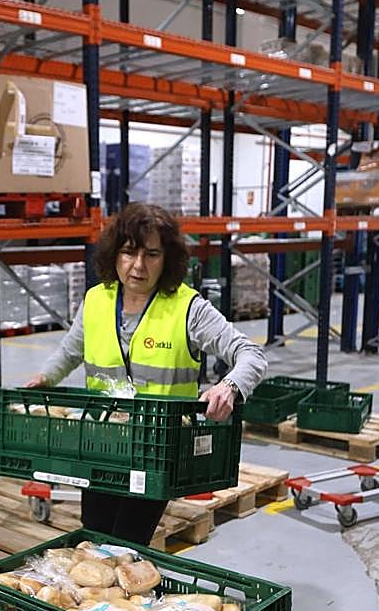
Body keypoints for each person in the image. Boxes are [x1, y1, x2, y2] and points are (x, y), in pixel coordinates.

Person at [25, 202, 267, 544]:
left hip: (157, 451)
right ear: (115, 254)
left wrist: (228, 386)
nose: (138, 266)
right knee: (93, 536)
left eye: (151, 254)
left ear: (167, 259)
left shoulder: (188, 308)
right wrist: (45, 378)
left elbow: (252, 354)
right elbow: (70, 351)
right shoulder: (97, 300)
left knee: (127, 541)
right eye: (128, 253)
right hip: (102, 443)